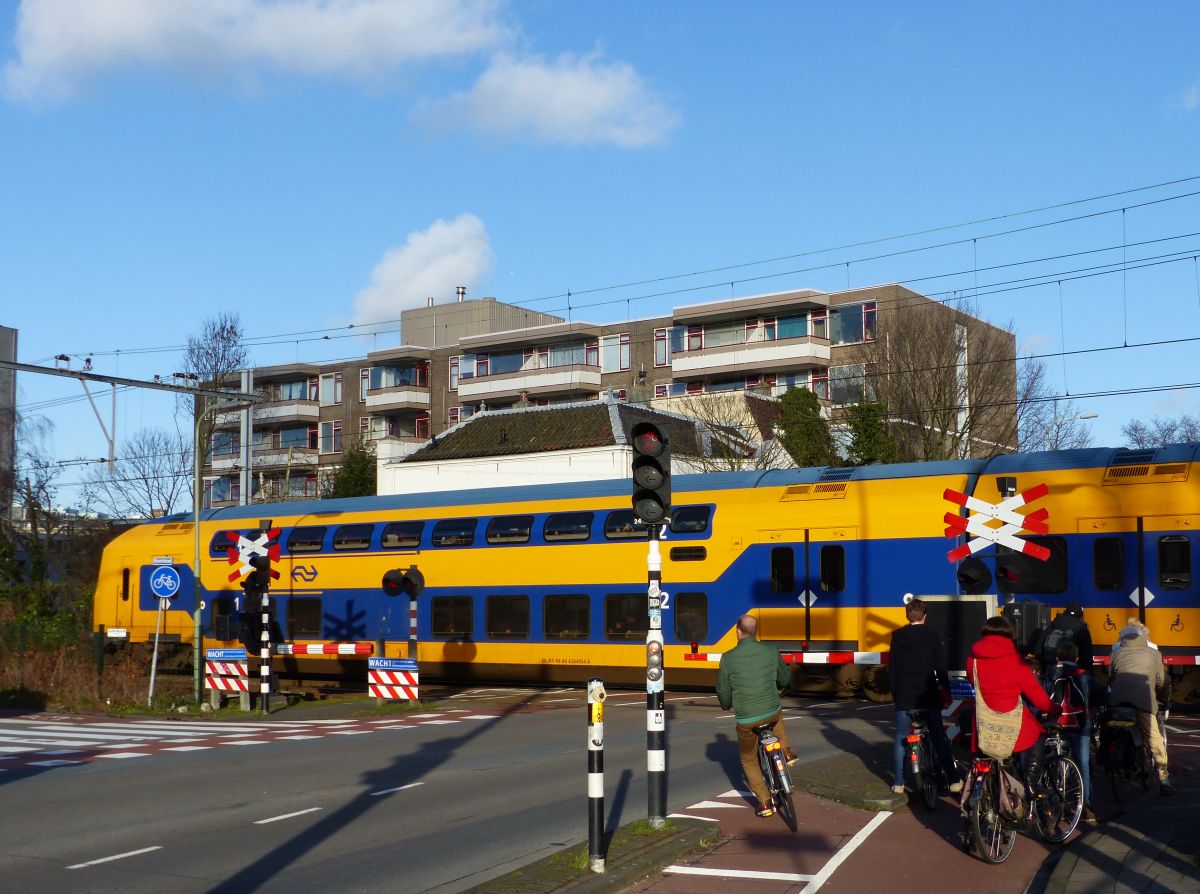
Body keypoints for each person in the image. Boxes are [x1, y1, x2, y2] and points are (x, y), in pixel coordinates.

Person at [716, 614, 797, 817]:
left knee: (748, 758)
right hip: (771, 710)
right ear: (756, 631)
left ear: (738, 632)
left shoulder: (728, 658)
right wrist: (778, 686)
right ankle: (786, 752)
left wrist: (726, 705)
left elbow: (723, 691)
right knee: (776, 716)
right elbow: (785, 678)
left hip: (747, 719)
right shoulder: (770, 650)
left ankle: (764, 802)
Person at [966, 615, 1059, 788]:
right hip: (1012, 721)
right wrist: (1054, 709)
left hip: (983, 721)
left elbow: (973, 682)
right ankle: (1030, 784)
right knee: (1038, 735)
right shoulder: (1016, 661)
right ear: (1009, 634)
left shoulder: (973, 660)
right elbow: (1035, 693)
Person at [888, 598, 963, 796]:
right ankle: (954, 779)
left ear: (907, 615)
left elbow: (892, 669)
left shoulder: (896, 636)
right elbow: (940, 667)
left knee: (900, 738)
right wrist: (947, 690)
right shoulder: (932, 636)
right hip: (927, 695)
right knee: (939, 736)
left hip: (905, 696)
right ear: (925, 616)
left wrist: (895, 695)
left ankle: (898, 783)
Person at [1108, 620, 1173, 795]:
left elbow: (1111, 678)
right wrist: (1162, 696)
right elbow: (1161, 681)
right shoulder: (1153, 654)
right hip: (1143, 701)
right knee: (1154, 739)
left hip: (1118, 701)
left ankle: (1111, 760)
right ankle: (1164, 778)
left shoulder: (1116, 653)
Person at [1050, 640, 1100, 824]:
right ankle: (1085, 805)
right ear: (1077, 658)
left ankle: (1056, 801)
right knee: (1083, 763)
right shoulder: (1083, 675)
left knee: (1055, 761)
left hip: (1056, 725)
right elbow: (1099, 695)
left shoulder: (1051, 673)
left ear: (1057, 657)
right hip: (1081, 726)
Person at [1035, 601, 1093, 682]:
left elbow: (1038, 650)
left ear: (1065, 613)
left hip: (1051, 671)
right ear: (1081, 616)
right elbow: (1087, 657)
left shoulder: (1053, 626)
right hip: (1074, 675)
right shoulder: (1082, 630)